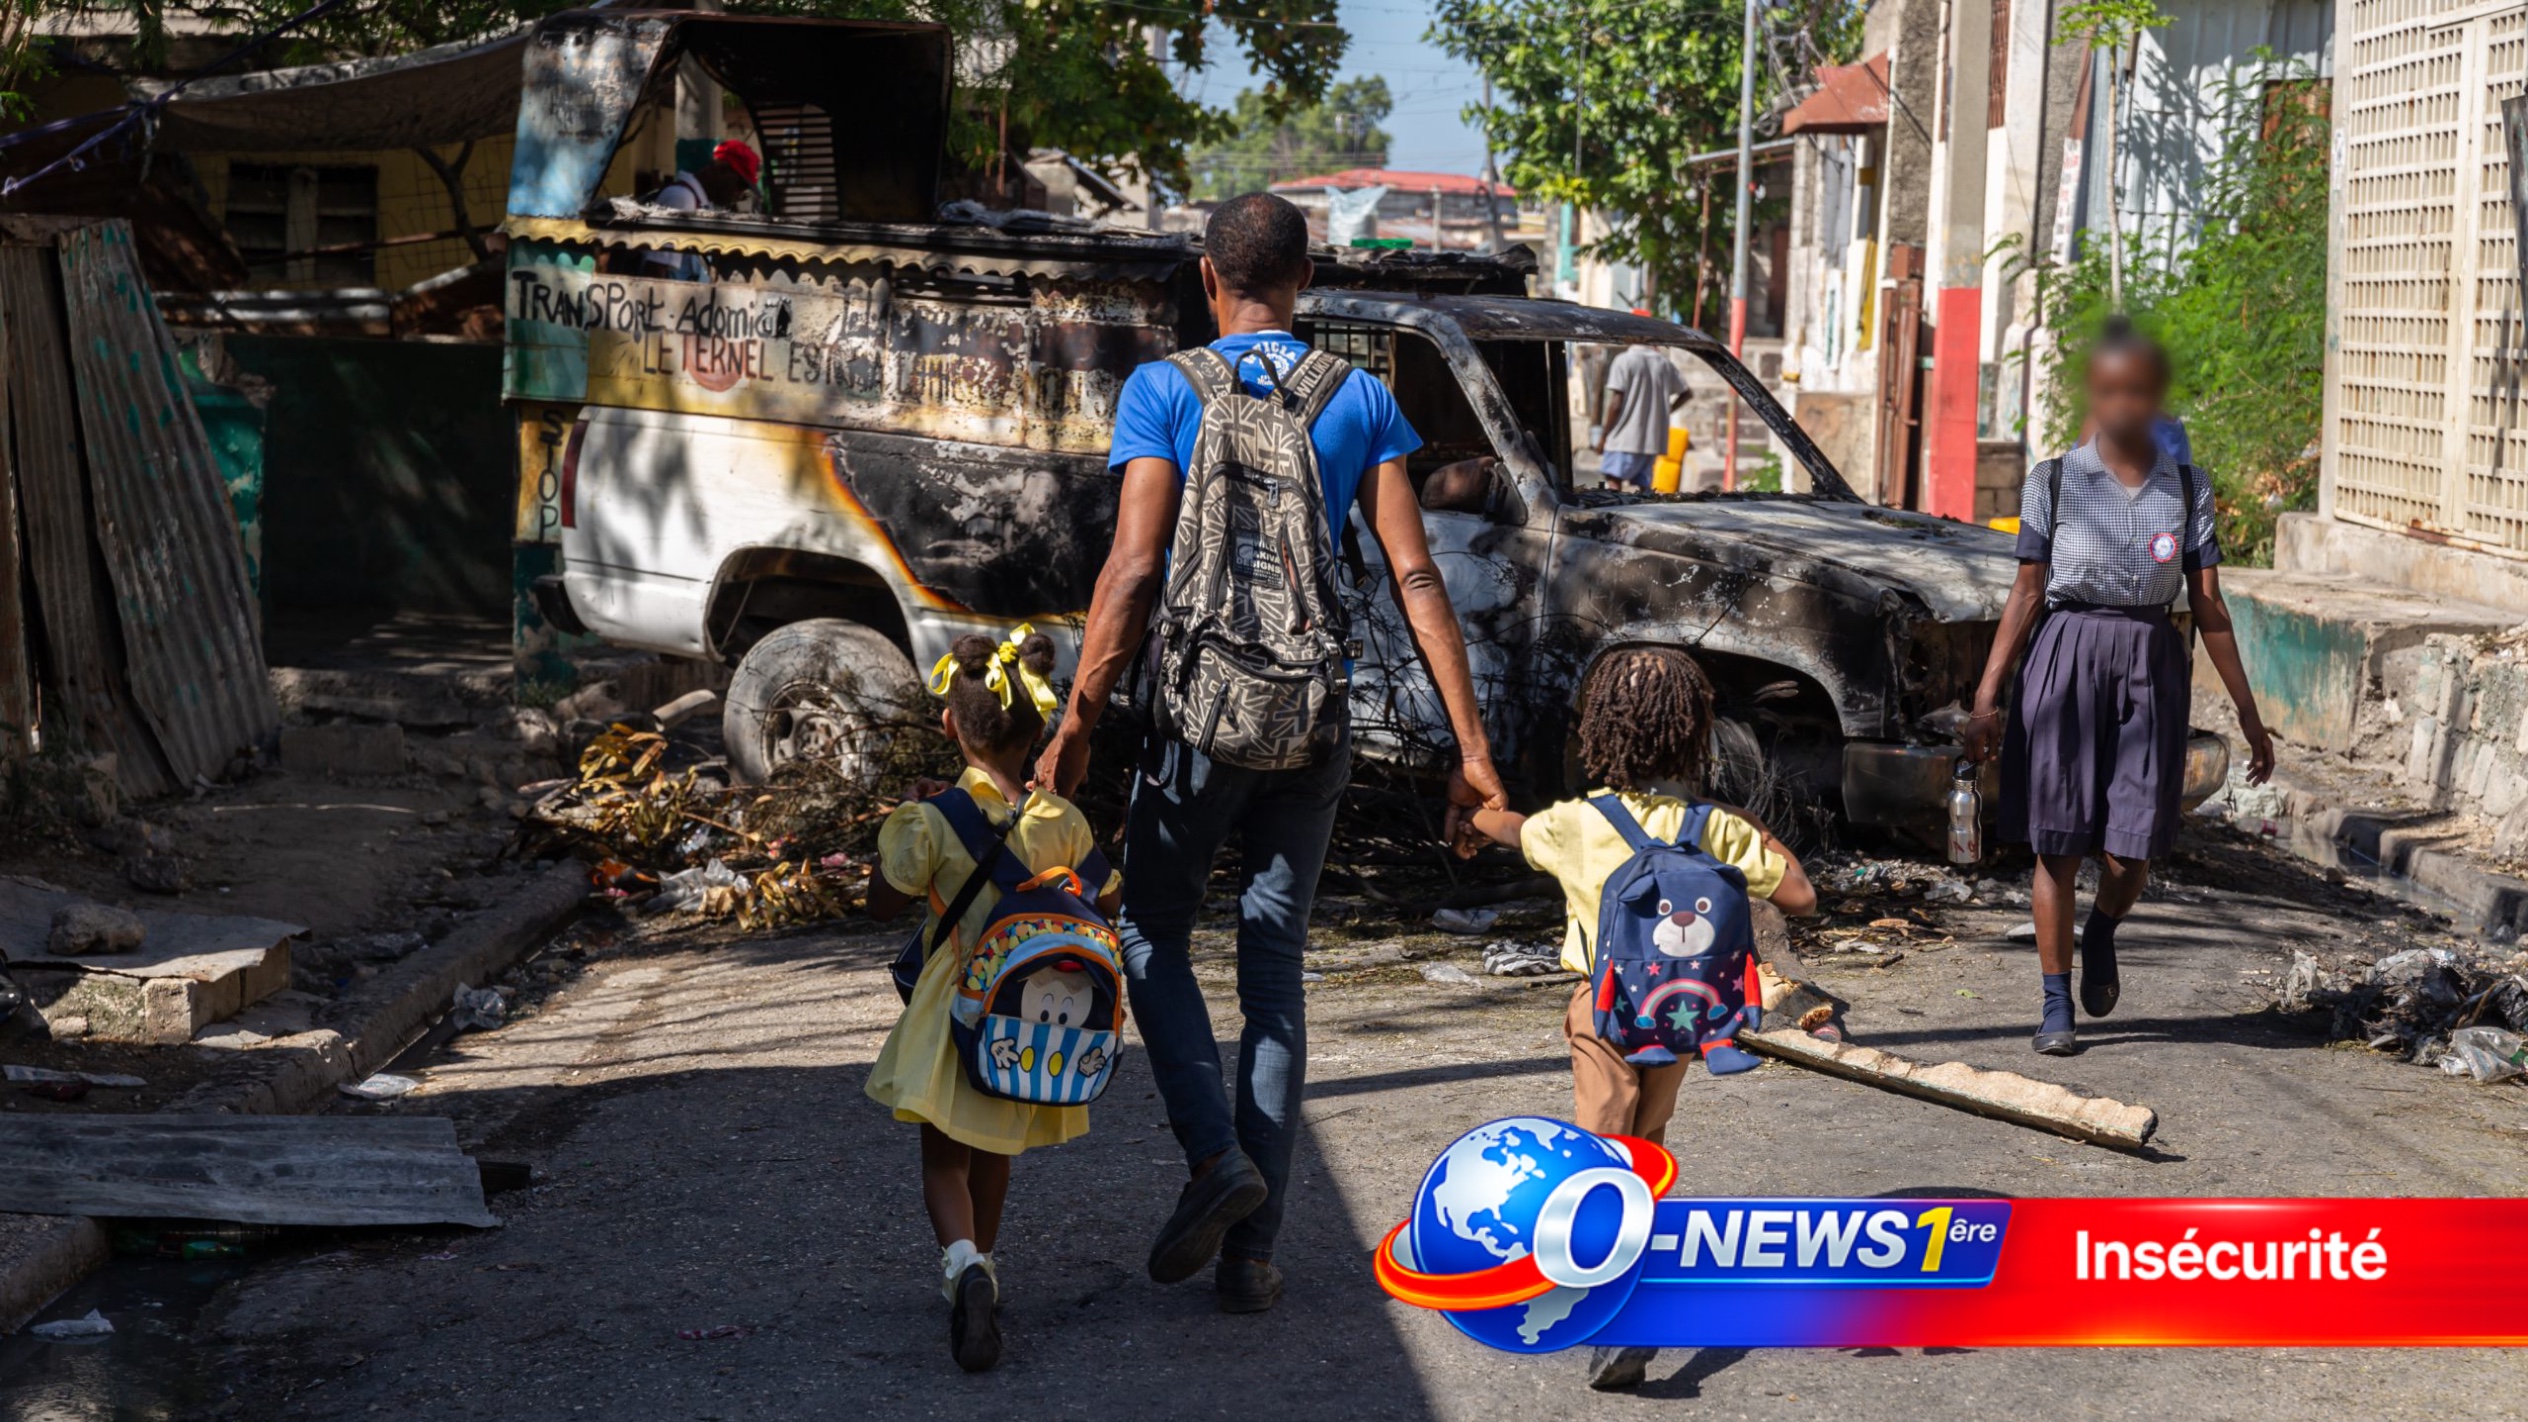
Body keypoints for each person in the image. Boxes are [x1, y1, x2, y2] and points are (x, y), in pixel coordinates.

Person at [1032, 192, 1509, 1314]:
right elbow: (1415, 577)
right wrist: (1471, 751)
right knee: (1273, 974)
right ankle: (1253, 1253)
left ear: (1207, 278)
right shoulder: (1359, 397)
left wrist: (1076, 722)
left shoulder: (1163, 389)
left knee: (1149, 928)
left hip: (1197, 723)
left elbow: (1135, 571)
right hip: (1312, 718)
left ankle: (1213, 1160)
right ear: (1306, 279)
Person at [1453, 644, 1815, 1392]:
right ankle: (1626, 1286)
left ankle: (1617, 1307)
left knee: (1601, 1152)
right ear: (1694, 735)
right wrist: (1743, 826)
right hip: (1682, 1014)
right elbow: (1801, 897)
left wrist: (1472, 817)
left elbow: (1515, 832)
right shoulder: (1713, 827)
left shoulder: (1578, 823)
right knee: (1646, 1150)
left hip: (1606, 1008)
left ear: (1603, 732)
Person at [1962, 321, 2275, 1056]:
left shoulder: (2189, 488)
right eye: (2109, 390)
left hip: (2150, 659)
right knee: (2058, 844)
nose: (2124, 404)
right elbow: (2027, 592)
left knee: (2132, 849)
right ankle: (2053, 1005)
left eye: (2139, 390)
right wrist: (1985, 701)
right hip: (2066, 656)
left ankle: (2102, 929)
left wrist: (2251, 717)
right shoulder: (2054, 480)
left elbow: (2208, 607)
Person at [863, 626, 1123, 1372]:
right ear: (1038, 731)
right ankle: (989, 1265)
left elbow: (883, 903)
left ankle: (964, 1265)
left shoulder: (934, 819)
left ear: (950, 726)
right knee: (996, 1150)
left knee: (944, 1160)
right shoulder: (1064, 821)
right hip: (1025, 1015)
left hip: (957, 1008)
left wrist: (910, 824)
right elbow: (1106, 895)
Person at [637, 140, 761, 280]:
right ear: (721, 169)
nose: (739, 194)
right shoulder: (682, 199)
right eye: (740, 185)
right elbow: (655, 271)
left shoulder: (702, 206)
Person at [1594, 342, 1689, 492]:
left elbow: (1616, 404)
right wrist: (1665, 411)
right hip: (1651, 441)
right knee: (1644, 489)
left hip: (1623, 439)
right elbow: (1686, 393)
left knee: (1613, 483)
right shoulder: (1663, 363)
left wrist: (1603, 437)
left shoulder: (1624, 360)